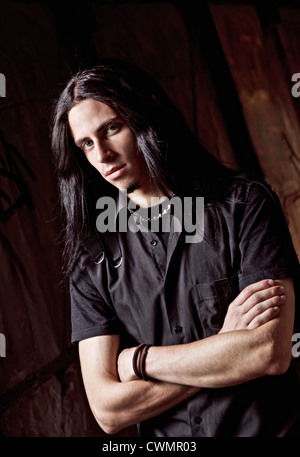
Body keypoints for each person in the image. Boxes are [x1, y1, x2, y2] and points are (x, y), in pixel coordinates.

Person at [51, 59, 300, 437]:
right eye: (86, 144)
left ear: (146, 116)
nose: (101, 156)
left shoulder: (246, 206)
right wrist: (223, 351)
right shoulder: (93, 255)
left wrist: (139, 361)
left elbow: (268, 352)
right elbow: (107, 409)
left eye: (112, 128)